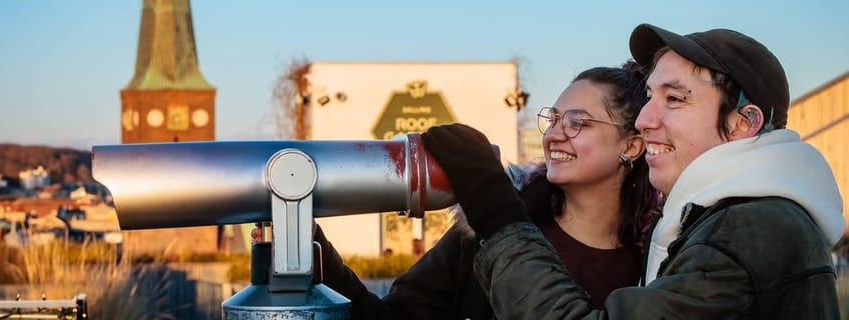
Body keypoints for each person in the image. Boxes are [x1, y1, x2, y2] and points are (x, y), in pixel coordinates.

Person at [423, 23, 845, 319]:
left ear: (743, 123)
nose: (645, 119)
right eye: (649, 96)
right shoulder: (718, 219)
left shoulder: (753, 227)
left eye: (675, 99)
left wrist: (497, 211)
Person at [253, 61, 661, 319]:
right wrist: (307, 241)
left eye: (578, 123)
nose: (554, 135)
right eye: (553, 119)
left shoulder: (659, 261)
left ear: (631, 145)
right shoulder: (479, 233)